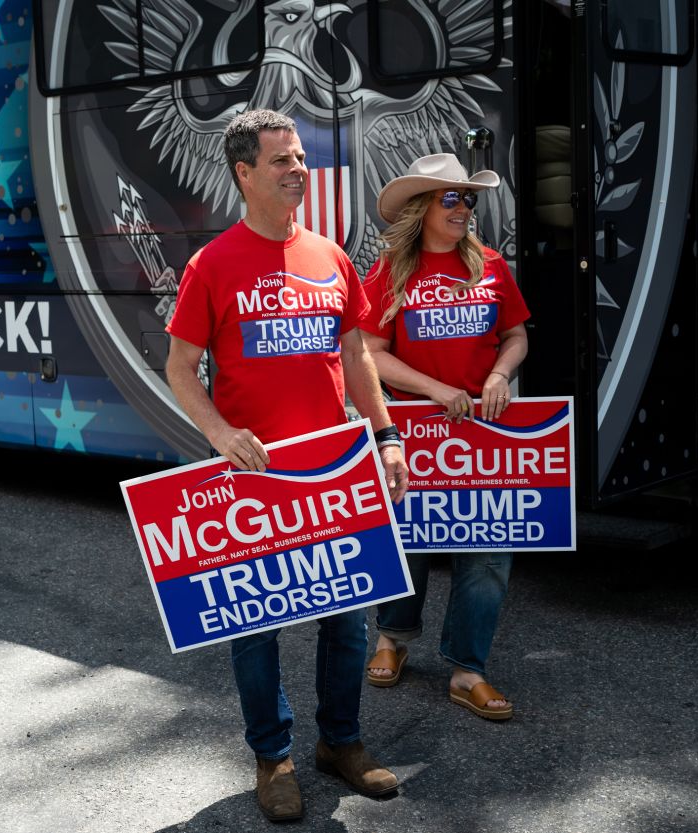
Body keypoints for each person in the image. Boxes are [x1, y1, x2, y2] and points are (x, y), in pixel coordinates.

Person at [164, 109, 410, 822]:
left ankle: (341, 743)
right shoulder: (211, 265)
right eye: (281, 160)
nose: (298, 168)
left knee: (347, 622)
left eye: (300, 157)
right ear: (244, 172)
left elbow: (358, 354)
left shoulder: (331, 257)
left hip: (334, 473)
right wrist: (219, 431)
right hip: (256, 482)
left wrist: (387, 434)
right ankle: (272, 757)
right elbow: (181, 367)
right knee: (257, 629)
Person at [358, 153, 529, 721]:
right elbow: (368, 355)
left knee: (488, 549)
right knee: (410, 541)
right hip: (414, 433)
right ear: (421, 209)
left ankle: (466, 669)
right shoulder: (388, 274)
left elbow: (516, 335)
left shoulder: (491, 266)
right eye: (450, 198)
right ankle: (392, 636)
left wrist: (501, 373)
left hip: (485, 434)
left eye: (468, 199)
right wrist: (434, 388)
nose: (463, 209)